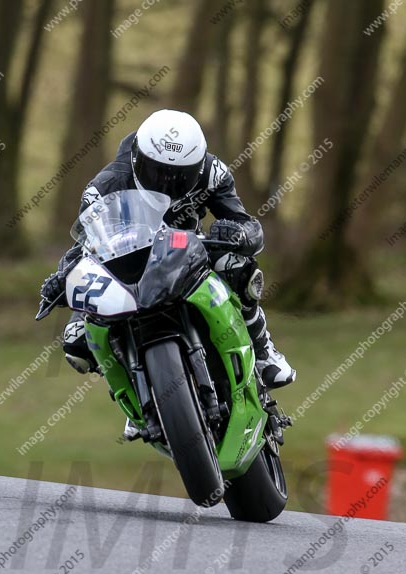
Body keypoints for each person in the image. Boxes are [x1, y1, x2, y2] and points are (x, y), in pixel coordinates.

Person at [41, 109, 295, 404]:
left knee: (238, 266)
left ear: (197, 167)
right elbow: (84, 247)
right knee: (76, 340)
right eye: (157, 171)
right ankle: (134, 397)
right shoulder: (105, 186)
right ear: (138, 158)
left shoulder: (213, 173)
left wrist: (236, 234)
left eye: (180, 177)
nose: (166, 182)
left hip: (187, 253)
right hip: (126, 269)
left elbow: (248, 225)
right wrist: (63, 277)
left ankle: (264, 353)